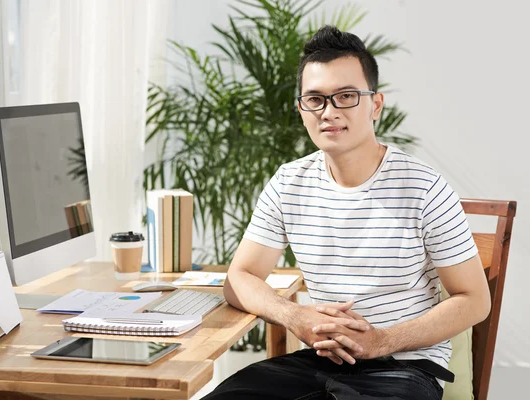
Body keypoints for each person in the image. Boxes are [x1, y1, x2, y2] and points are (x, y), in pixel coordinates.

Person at [203, 25, 491, 400]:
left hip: (403, 368)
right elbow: (239, 277)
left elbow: (474, 300)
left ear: (375, 104)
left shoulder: (424, 188)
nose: (329, 112)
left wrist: (381, 340)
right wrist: (296, 317)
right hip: (319, 361)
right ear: (301, 108)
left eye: (346, 96)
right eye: (315, 99)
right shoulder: (289, 182)